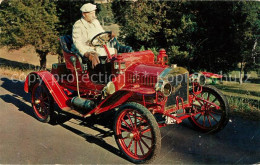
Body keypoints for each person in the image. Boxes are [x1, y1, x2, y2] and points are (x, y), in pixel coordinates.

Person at [72, 3, 132, 69]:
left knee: (114, 51)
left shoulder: (95, 22)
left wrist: (109, 36)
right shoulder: (78, 25)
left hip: (98, 47)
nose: (94, 16)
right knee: (97, 56)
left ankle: (114, 72)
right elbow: (77, 43)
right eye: (91, 14)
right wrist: (86, 53)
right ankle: (99, 76)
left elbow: (102, 34)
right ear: (84, 14)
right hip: (87, 49)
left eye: (94, 13)